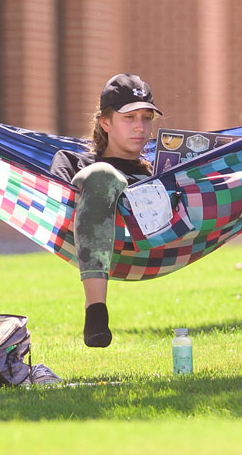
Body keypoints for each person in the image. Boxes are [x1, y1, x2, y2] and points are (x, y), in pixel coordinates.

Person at [48, 73, 161, 348]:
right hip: (94, 240)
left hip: (151, 242)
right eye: (129, 118)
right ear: (105, 122)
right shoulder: (72, 161)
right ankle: (96, 310)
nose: (140, 127)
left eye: (147, 118)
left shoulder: (160, 169)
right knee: (100, 175)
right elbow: (52, 198)